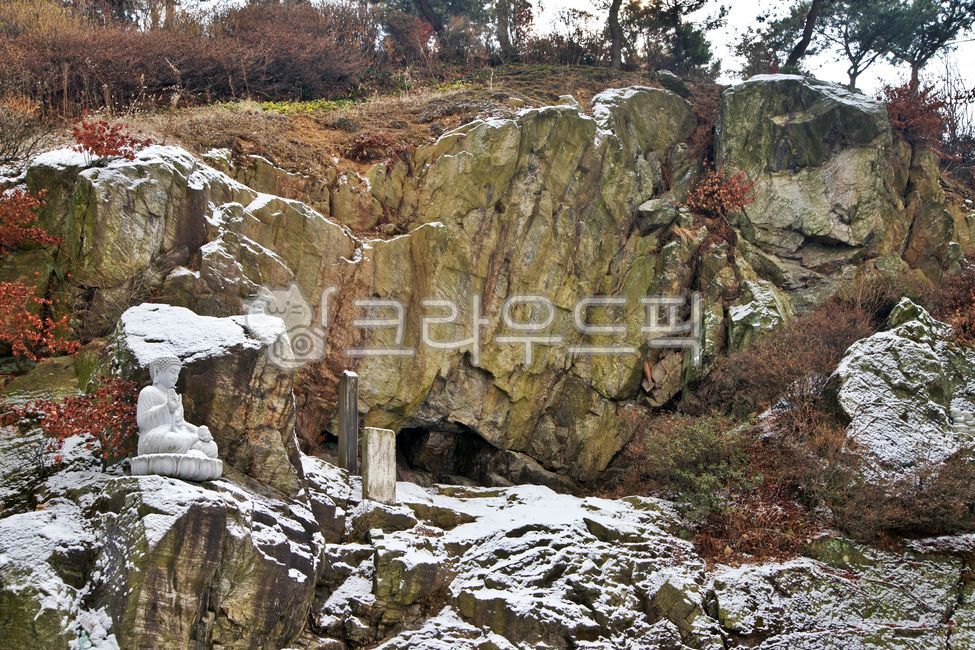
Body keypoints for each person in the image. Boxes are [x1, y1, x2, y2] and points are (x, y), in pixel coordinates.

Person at [136, 356, 218, 458]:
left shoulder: (174, 395)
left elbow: (181, 423)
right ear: (157, 372)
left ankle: (189, 454)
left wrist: (199, 431)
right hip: (156, 437)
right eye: (172, 372)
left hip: (179, 434)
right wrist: (167, 408)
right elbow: (142, 422)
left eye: (177, 373)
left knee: (211, 447)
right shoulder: (148, 392)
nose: (175, 376)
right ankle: (189, 455)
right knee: (174, 441)